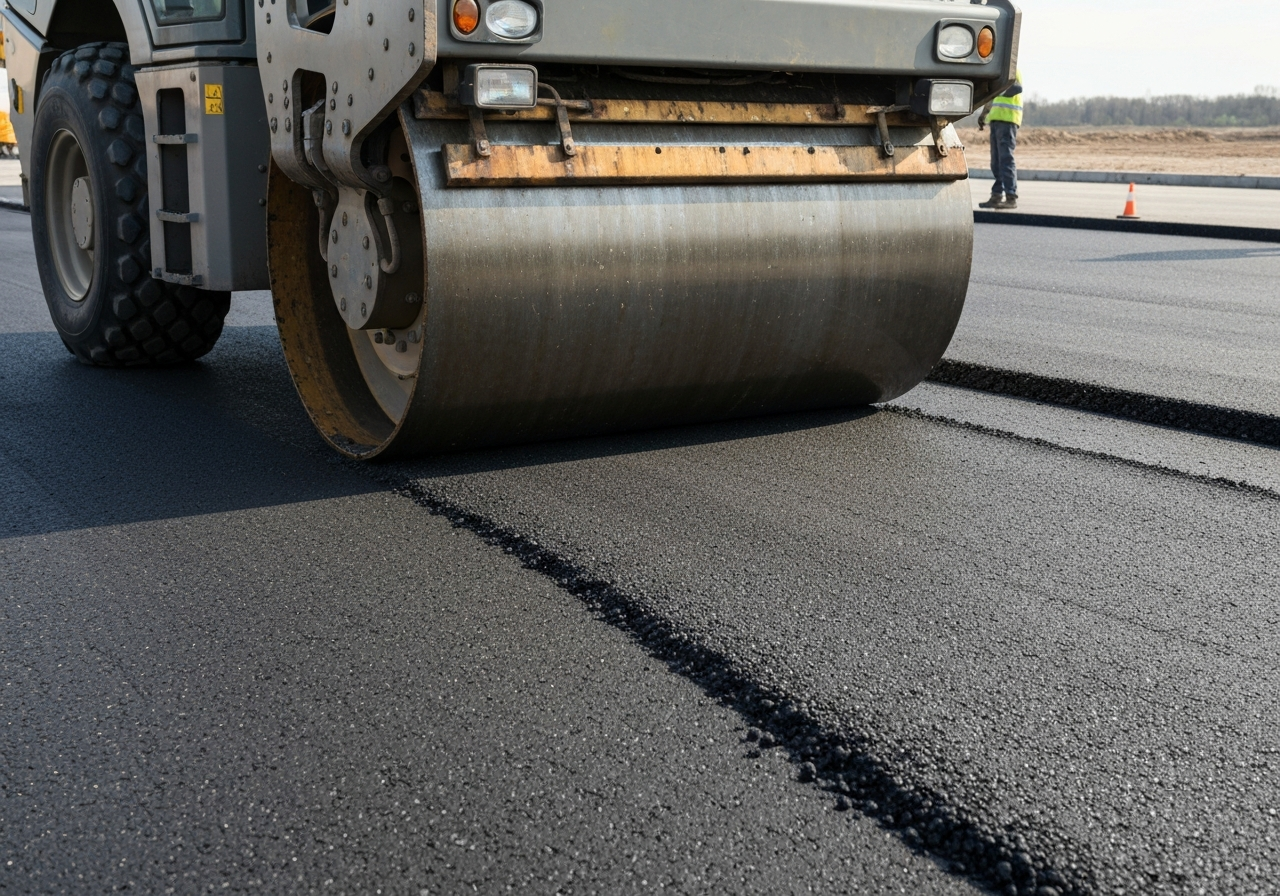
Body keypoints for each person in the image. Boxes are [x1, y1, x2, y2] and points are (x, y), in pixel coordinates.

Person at [977, 69, 1023, 210]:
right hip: (996, 121)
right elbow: (991, 97)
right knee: (996, 162)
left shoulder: (1011, 69)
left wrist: (998, 91)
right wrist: (984, 115)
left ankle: (1011, 197)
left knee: (1006, 159)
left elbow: (1016, 88)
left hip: (1008, 120)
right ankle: (996, 195)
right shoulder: (998, 72)